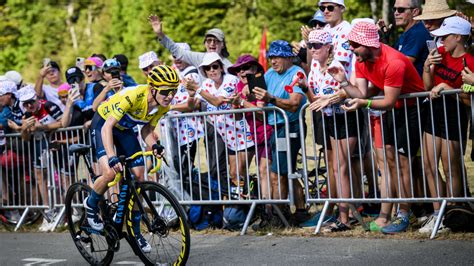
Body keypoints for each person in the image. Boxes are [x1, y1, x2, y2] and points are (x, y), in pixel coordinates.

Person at [328, 22, 425, 234]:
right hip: (391, 109)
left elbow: (387, 101)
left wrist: (365, 104)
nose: (351, 48)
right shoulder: (361, 59)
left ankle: (404, 214)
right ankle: (386, 215)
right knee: (388, 161)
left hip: (411, 108)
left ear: (368, 44)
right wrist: (343, 82)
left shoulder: (394, 61)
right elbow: (361, 93)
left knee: (402, 163)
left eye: (354, 44)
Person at [84, 65, 180, 252]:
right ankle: (91, 203)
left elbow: (146, 130)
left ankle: (136, 233)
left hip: (125, 130)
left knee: (138, 178)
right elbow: (107, 128)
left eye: (174, 91)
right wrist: (112, 157)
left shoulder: (162, 105)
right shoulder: (133, 95)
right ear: (153, 88)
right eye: (166, 91)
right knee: (110, 173)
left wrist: (154, 145)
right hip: (104, 124)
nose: (170, 95)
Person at [300, 29, 360, 231]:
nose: (313, 49)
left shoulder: (337, 65)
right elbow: (315, 101)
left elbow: (349, 91)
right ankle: (344, 215)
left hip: (346, 116)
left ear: (328, 47)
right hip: (330, 119)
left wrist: (332, 98)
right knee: (336, 168)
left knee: (342, 168)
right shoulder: (315, 67)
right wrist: (304, 88)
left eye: (317, 45)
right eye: (310, 45)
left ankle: (346, 218)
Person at [420, 16, 473, 233]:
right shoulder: (439, 54)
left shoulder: (470, 61)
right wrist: (426, 67)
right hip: (434, 112)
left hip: (455, 114)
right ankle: (437, 213)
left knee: (450, 166)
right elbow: (427, 86)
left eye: (445, 36)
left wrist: (447, 87)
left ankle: (452, 212)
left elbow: (469, 100)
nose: (441, 41)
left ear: (458, 37)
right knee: (429, 165)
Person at [252, 40, 308, 225]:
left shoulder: (296, 73)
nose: (273, 61)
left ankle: (279, 215)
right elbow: (260, 102)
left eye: (277, 57)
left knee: (279, 173)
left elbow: (293, 104)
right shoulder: (269, 74)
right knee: (286, 170)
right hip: (275, 127)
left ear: (288, 57)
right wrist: (248, 95)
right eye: (271, 57)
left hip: (290, 127)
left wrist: (271, 99)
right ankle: (299, 211)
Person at [185, 52, 254, 191]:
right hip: (227, 136)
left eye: (215, 66)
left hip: (242, 133)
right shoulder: (206, 84)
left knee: (241, 173)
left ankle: (252, 202)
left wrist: (197, 89)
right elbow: (192, 106)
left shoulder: (230, 80)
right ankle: (240, 207)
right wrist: (191, 95)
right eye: (208, 68)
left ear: (221, 68)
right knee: (234, 174)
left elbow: (217, 102)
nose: (212, 70)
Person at [227, 54, 275, 226]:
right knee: (241, 171)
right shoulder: (239, 85)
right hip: (252, 136)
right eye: (239, 69)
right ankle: (257, 211)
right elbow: (236, 117)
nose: (242, 72)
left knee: (266, 172)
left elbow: (262, 113)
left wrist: (242, 101)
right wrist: (235, 104)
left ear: (255, 69)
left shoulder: (259, 82)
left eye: (246, 68)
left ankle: (270, 213)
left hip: (268, 133)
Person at [17, 85, 63, 232]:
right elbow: (25, 139)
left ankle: (64, 211)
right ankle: (49, 211)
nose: (29, 106)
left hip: (58, 146)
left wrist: (42, 127)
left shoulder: (49, 105)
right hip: (39, 149)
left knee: (59, 178)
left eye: (31, 101)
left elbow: (63, 123)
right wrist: (24, 128)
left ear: (36, 98)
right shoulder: (26, 114)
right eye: (25, 103)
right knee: (40, 177)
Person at [166, 42, 203, 178]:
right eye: (175, 56)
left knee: (184, 168)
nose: (177, 59)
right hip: (177, 129)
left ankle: (187, 197)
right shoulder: (176, 73)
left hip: (189, 130)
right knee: (178, 167)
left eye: (180, 56)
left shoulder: (192, 75)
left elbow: (195, 104)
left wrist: (169, 108)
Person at [149, 15, 233, 72]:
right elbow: (177, 51)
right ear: (205, 44)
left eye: (216, 41)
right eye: (209, 40)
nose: (212, 43)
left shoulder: (229, 66)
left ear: (223, 45)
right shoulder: (199, 58)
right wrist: (160, 34)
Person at [390, 0, 432, 76]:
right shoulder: (408, 32)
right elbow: (391, 57)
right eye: (394, 9)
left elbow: (402, 65)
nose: (396, 13)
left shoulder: (418, 33)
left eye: (401, 10)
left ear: (415, 12)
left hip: (416, 86)